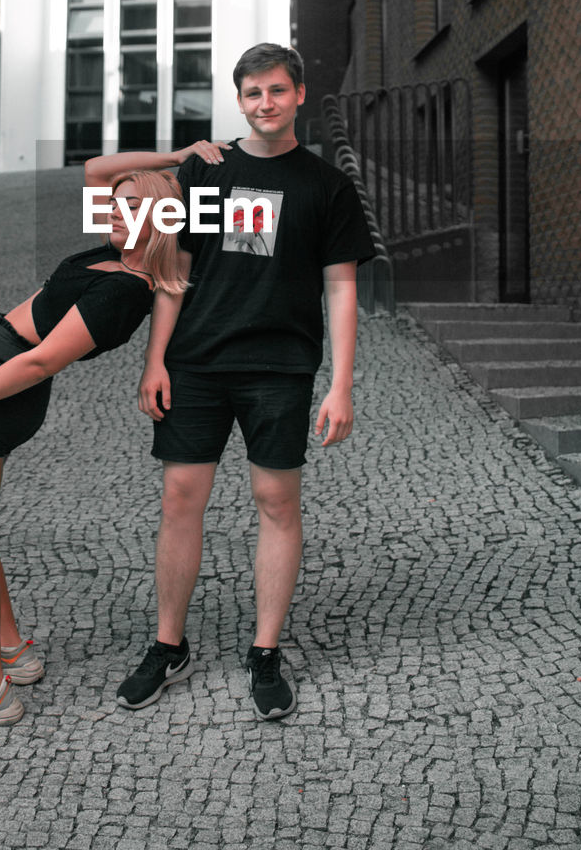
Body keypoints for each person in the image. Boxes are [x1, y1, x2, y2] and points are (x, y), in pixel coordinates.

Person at [85, 43, 375, 721]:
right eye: (251, 93)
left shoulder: (325, 185)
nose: (264, 104)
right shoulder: (203, 169)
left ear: (299, 94)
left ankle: (265, 651)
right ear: (238, 99)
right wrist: (154, 360)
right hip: (196, 362)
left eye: (276, 91)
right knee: (180, 498)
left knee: (276, 502)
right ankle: (167, 645)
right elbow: (172, 271)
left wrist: (341, 383)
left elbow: (340, 287)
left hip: (280, 366)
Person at [0, 168, 190, 729]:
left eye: (131, 205)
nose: (115, 210)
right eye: (114, 205)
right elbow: (102, 170)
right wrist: (178, 152)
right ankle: (12, 653)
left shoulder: (123, 291)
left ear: (163, 215)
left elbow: (42, 360)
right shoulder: (114, 257)